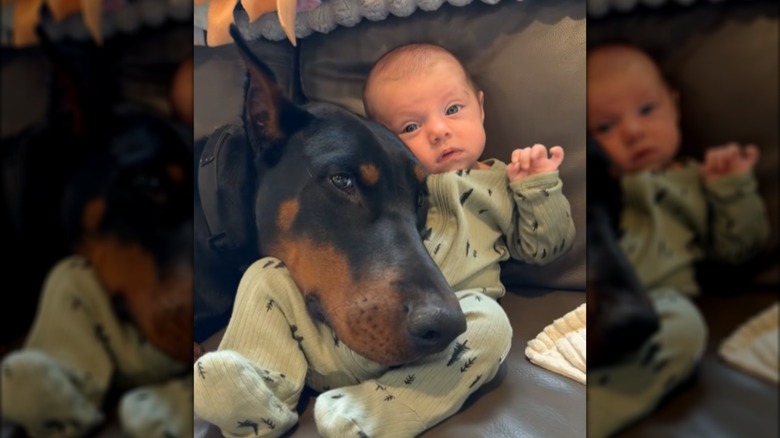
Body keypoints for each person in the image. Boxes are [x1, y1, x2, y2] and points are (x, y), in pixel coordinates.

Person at [193, 43, 576, 438]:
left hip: (463, 316)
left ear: (480, 107)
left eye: (453, 109)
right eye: (411, 126)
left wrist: (538, 189)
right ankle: (253, 397)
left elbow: (544, 245)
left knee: (488, 327)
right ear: (261, 120)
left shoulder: (489, 182)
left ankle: (370, 415)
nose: (439, 131)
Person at [585, 42, 770, 437]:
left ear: (674, 106)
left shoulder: (698, 181)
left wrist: (732, 191)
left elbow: (737, 252)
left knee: (685, 329)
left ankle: (599, 410)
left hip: (664, 301)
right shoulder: (601, 187)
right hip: (599, 299)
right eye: (605, 127)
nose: (633, 131)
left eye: (647, 110)